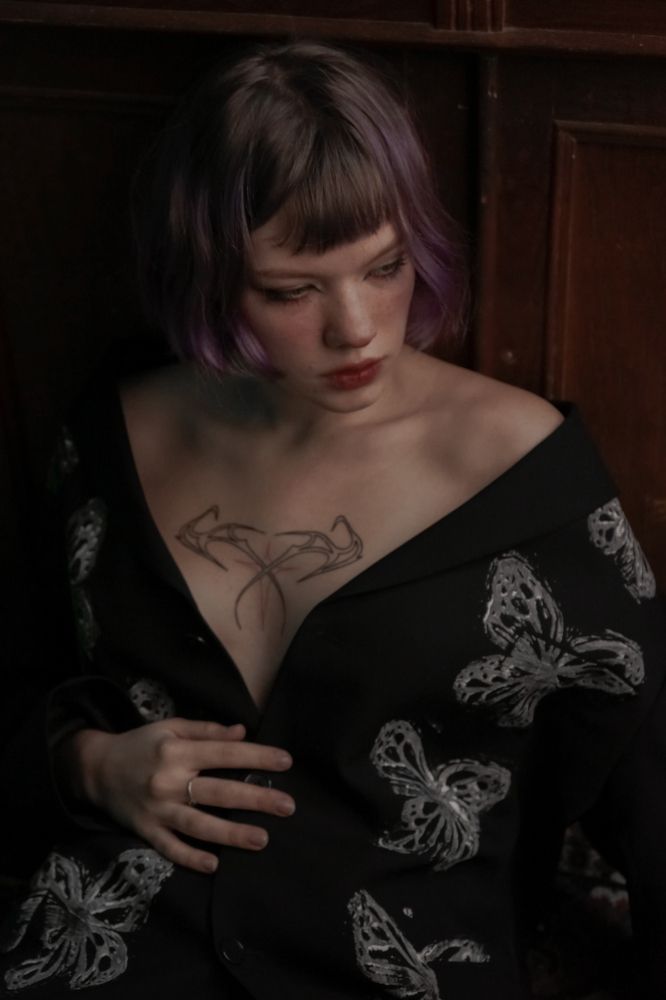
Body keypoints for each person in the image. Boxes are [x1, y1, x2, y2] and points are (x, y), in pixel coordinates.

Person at [1, 39, 665, 1000]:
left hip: (397, 959)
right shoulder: (112, 437)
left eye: (386, 267)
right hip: (124, 940)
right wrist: (86, 762)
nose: (357, 328)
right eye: (293, 290)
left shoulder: (526, 476)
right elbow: (20, 673)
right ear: (209, 277)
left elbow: (645, 771)